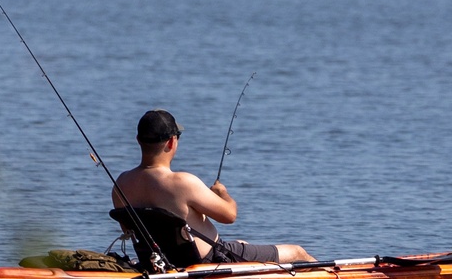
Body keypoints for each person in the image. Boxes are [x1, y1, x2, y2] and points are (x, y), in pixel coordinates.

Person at [113, 108, 313, 264]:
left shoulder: (121, 185)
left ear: (138, 140)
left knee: (242, 245)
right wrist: (222, 194)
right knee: (297, 252)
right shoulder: (183, 183)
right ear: (172, 142)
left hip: (158, 262)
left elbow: (130, 229)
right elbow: (229, 215)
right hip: (208, 259)